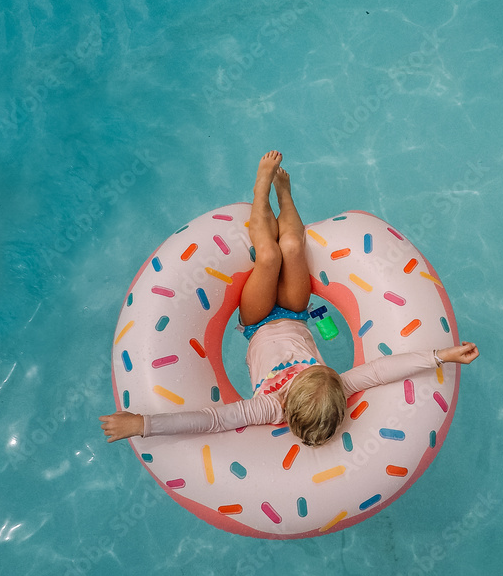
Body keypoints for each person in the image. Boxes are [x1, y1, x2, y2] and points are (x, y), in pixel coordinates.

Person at [99, 150, 479, 447]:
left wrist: (143, 424)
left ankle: (259, 192)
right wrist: (440, 355)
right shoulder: (337, 386)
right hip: (296, 314)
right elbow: (382, 370)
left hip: (258, 321)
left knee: (269, 256)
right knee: (293, 246)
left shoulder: (268, 408)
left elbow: (209, 419)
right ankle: (286, 195)